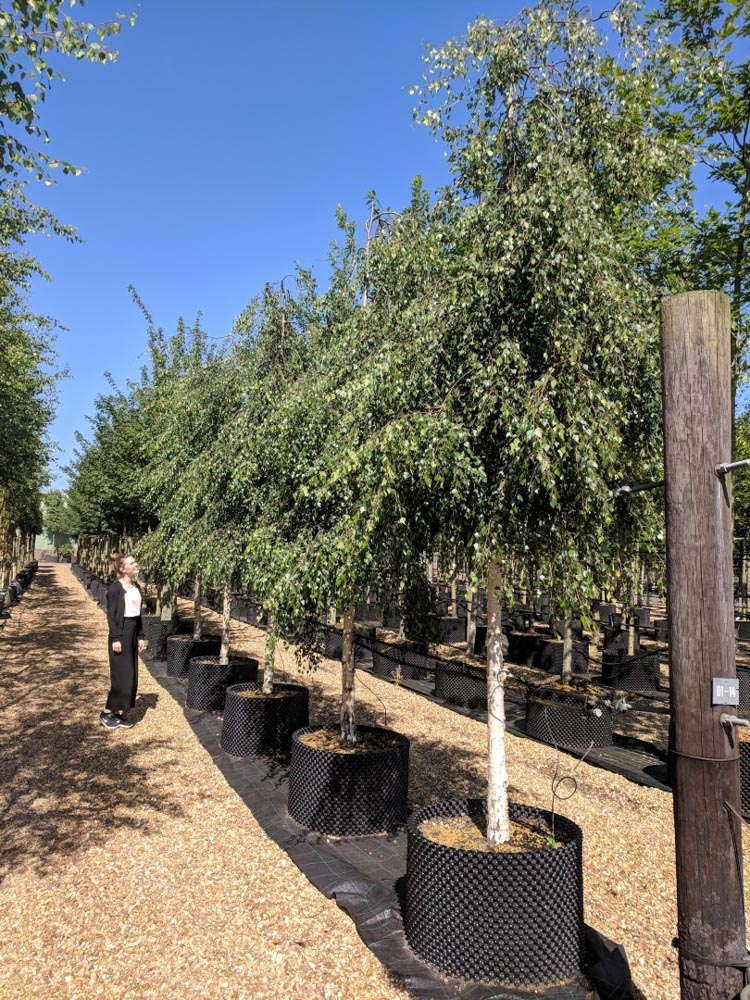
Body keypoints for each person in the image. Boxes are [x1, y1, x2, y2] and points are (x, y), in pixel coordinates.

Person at [100, 553, 145, 730]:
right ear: (122, 568)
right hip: (121, 633)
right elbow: (111, 615)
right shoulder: (115, 588)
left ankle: (118, 713)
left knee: (131, 675)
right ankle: (106, 713)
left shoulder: (136, 586)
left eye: (135, 561)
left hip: (133, 632)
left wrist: (141, 636)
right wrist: (116, 638)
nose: (136, 564)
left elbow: (138, 614)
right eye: (132, 563)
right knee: (121, 676)